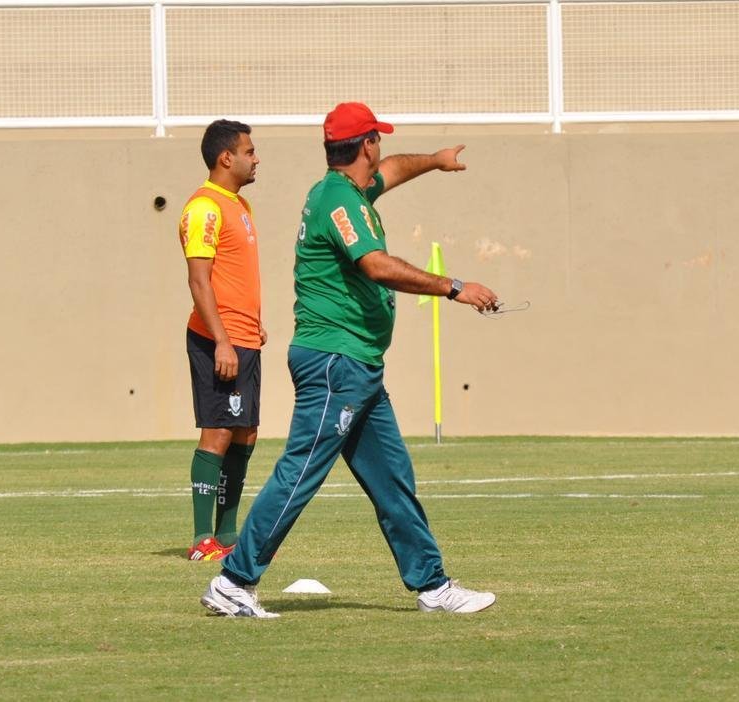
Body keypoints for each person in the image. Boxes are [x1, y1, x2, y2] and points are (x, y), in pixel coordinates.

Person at [200, 102, 500, 618]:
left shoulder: (344, 190)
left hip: (356, 364)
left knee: (392, 478)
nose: (381, 150)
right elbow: (376, 265)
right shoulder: (341, 202)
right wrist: (454, 287)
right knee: (301, 471)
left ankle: (432, 585)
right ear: (366, 144)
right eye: (377, 139)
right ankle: (234, 579)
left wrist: (435, 159)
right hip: (335, 362)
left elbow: (393, 171)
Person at [178, 119, 266, 561]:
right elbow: (199, 282)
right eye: (249, 151)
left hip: (246, 337)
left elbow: (237, 277)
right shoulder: (203, 209)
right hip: (219, 341)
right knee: (217, 433)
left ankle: (227, 536)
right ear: (225, 157)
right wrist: (223, 341)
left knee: (245, 434)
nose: (256, 158)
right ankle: (200, 541)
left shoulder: (241, 206)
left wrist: (253, 323)